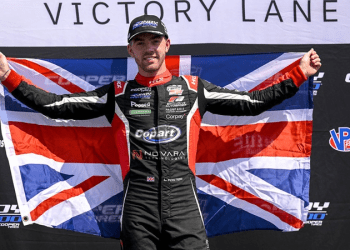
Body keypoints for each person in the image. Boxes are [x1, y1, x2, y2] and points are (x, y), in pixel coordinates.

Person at [0, 14, 321, 250]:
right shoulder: (118, 94)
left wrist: (299, 73)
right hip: (137, 206)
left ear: (167, 45)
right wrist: (8, 76)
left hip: (184, 203)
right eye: (140, 43)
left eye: (154, 41)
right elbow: (56, 107)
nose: (148, 48)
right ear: (130, 50)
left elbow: (251, 103)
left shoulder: (195, 90)